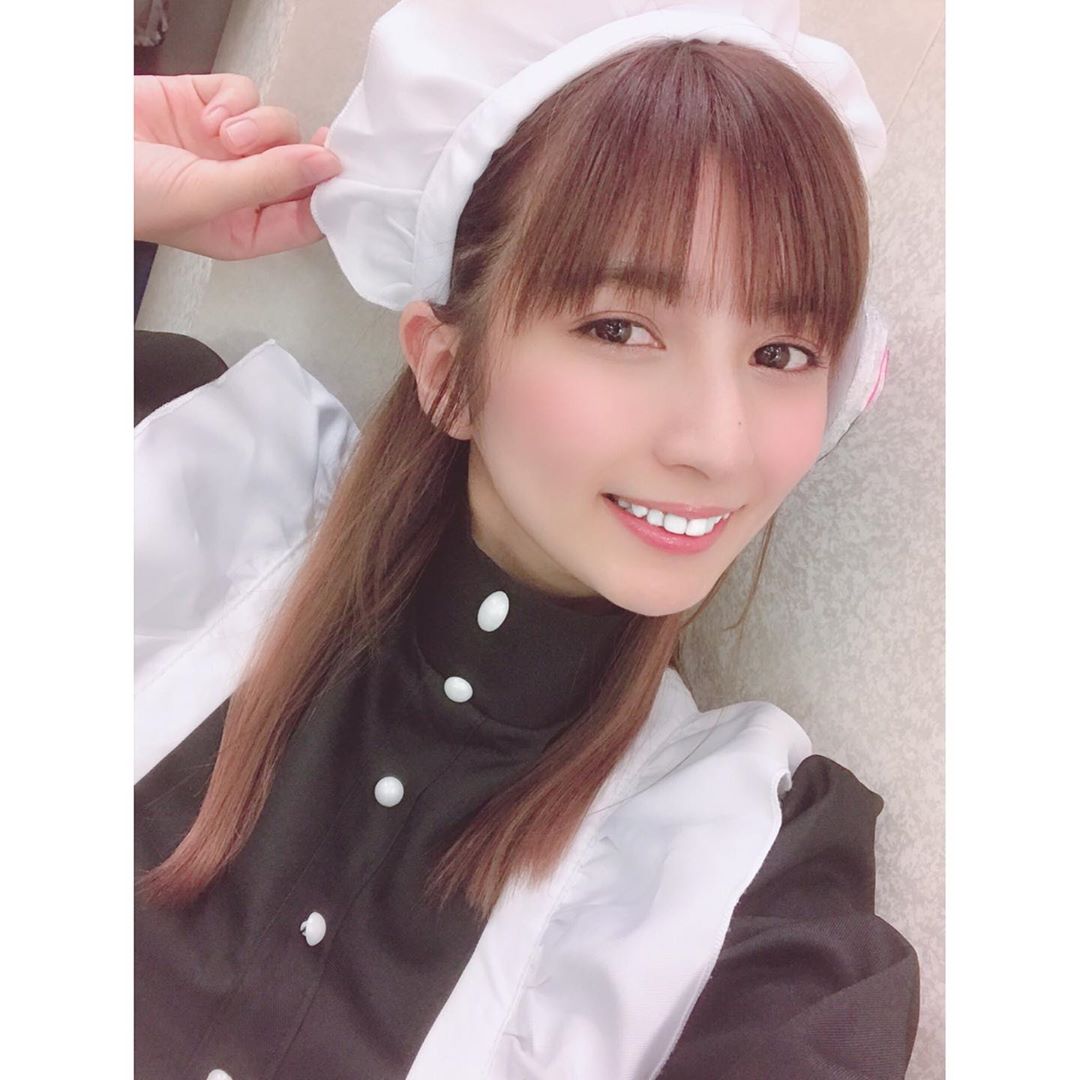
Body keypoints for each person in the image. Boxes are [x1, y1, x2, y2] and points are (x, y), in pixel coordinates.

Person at [134, 4, 919, 1078]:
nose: (719, 445)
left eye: (783, 351)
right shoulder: (179, 463)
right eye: (621, 328)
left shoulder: (755, 878)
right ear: (446, 368)